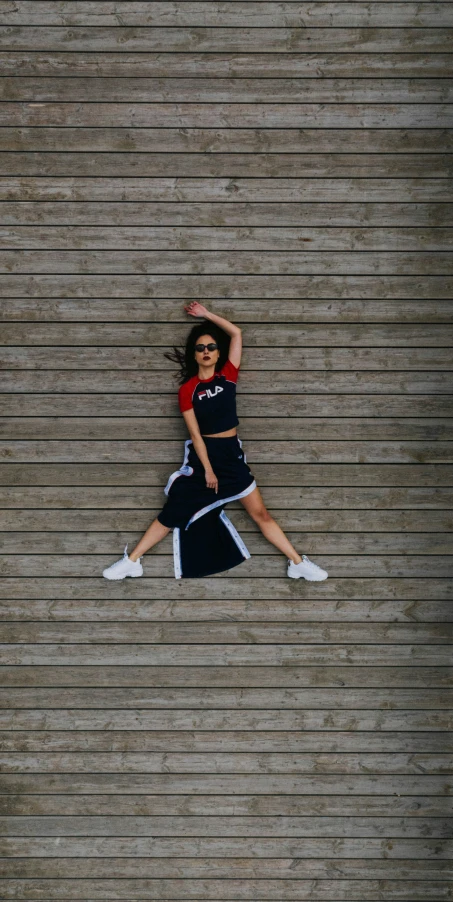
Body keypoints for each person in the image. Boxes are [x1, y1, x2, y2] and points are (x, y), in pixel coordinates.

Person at [102, 303, 328, 582]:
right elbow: (195, 435)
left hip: (231, 456)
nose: (206, 351)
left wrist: (206, 315)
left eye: (210, 347)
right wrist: (207, 469)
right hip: (203, 457)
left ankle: (297, 563)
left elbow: (236, 333)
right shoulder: (188, 390)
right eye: (200, 348)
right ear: (194, 355)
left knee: (261, 514)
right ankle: (132, 561)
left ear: (218, 352)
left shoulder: (228, 375)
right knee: (174, 510)